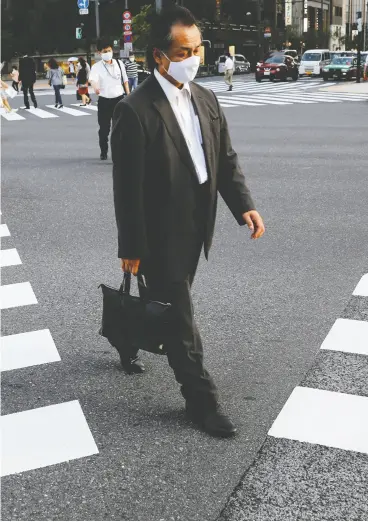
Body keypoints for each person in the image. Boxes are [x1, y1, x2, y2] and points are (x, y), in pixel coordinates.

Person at [111, 6, 265, 438]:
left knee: (165, 305)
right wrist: (131, 247)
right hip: (159, 234)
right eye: (185, 50)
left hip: (200, 222)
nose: (194, 57)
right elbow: (127, 188)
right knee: (180, 318)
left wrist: (244, 205)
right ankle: (202, 402)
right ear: (159, 55)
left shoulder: (205, 97)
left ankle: (126, 338)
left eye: (199, 48)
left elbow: (224, 158)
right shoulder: (134, 109)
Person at [89, 39, 130, 160]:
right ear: (99, 53)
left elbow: (125, 80)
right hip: (104, 100)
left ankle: (118, 153)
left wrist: (128, 95)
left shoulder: (119, 64)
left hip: (119, 99)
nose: (108, 53)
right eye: (105, 51)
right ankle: (104, 151)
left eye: (109, 50)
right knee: (104, 129)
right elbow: (93, 80)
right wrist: (96, 88)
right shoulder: (96, 67)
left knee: (119, 129)